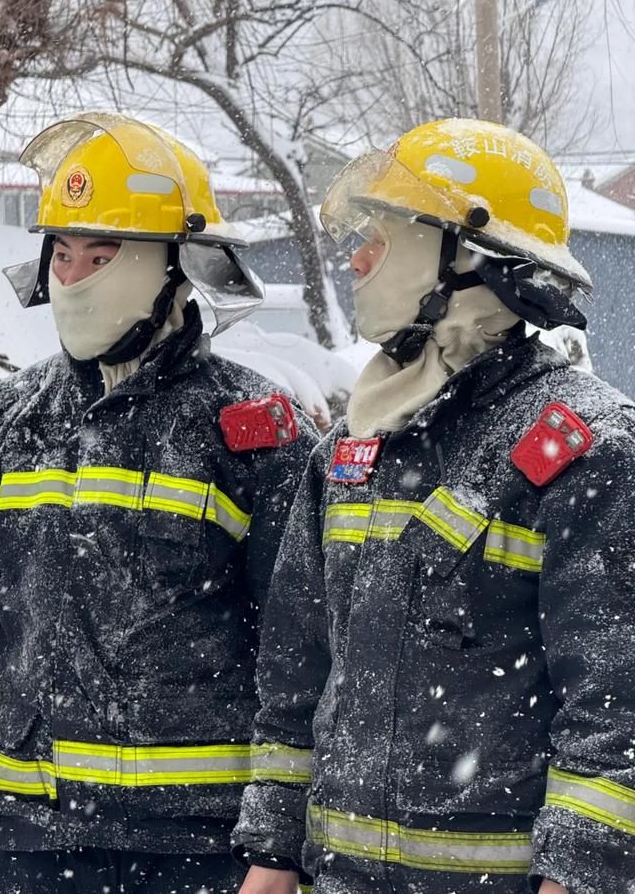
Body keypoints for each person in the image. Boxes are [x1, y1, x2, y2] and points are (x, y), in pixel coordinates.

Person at [0, 112, 317, 894]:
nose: (75, 275)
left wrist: (282, 839)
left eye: (101, 254)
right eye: (62, 253)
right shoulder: (6, 423)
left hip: (202, 846)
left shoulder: (253, 430)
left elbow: (301, 653)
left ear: (174, 265)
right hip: (32, 840)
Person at [233, 118, 635, 894]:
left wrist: (577, 875)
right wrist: (272, 855)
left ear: (466, 255)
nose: (356, 260)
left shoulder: (585, 449)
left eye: (381, 238)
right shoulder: (350, 452)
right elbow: (295, 681)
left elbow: (616, 707)